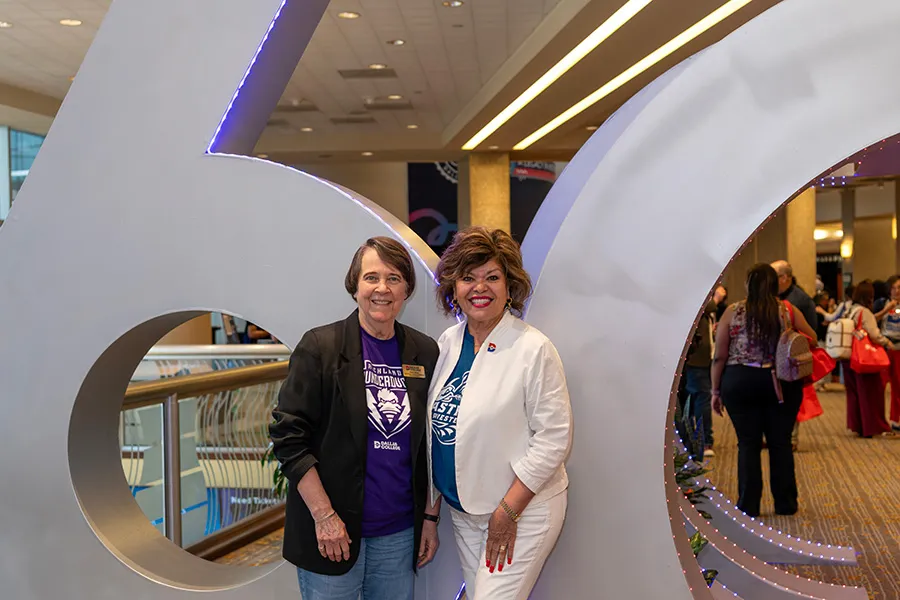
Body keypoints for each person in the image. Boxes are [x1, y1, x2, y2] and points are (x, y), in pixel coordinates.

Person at [269, 237, 441, 600]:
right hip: (333, 531)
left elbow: (430, 443)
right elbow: (288, 439)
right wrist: (324, 516)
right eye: (371, 277)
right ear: (355, 286)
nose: (382, 288)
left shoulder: (424, 352)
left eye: (394, 278)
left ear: (407, 289)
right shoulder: (321, 348)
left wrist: (429, 517)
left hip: (397, 534)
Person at [427, 227, 572, 600]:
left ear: (510, 286)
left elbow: (554, 438)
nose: (480, 288)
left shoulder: (532, 348)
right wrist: (431, 512)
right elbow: (439, 434)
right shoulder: (448, 343)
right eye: (468, 278)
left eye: (492, 277)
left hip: (522, 513)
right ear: (453, 287)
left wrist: (507, 511)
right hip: (465, 515)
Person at [711, 263, 817, 517]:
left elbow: (720, 356)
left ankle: (749, 505)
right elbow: (811, 338)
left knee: (748, 444)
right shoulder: (788, 310)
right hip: (781, 383)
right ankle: (786, 504)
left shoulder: (733, 311)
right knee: (780, 442)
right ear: (774, 285)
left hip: (740, 381)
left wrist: (715, 391)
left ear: (748, 285)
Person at [771, 260, 818, 451]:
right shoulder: (772, 297)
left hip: (791, 358)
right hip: (772, 358)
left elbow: (812, 332)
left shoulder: (801, 300)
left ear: (784, 278)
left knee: (790, 399)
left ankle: (791, 438)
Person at [842, 280, 896, 439]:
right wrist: (887, 343)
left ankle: (859, 425)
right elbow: (874, 334)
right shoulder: (864, 312)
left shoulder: (850, 309)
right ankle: (872, 426)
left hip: (850, 357)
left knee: (856, 394)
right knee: (871, 394)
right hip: (865, 359)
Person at [684, 299, 717, 457]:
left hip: (697, 357)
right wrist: (715, 296)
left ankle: (693, 443)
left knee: (692, 399)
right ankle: (704, 442)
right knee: (701, 398)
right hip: (696, 357)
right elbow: (710, 304)